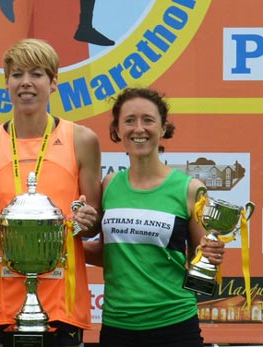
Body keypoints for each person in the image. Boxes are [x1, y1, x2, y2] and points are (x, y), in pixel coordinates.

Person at [0, 38, 102, 347]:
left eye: (37, 74)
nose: (26, 83)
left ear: (53, 82)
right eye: (17, 75)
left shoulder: (81, 139)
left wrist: (87, 218)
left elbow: (92, 225)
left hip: (61, 300)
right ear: (7, 82)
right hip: (0, 299)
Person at [84, 87, 226, 347]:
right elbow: (108, 254)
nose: (139, 128)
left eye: (148, 120)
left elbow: (202, 274)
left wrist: (211, 257)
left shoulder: (189, 189)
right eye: (130, 120)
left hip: (175, 326)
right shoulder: (109, 185)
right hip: (117, 326)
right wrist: (62, 246)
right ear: (117, 130)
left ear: (163, 129)